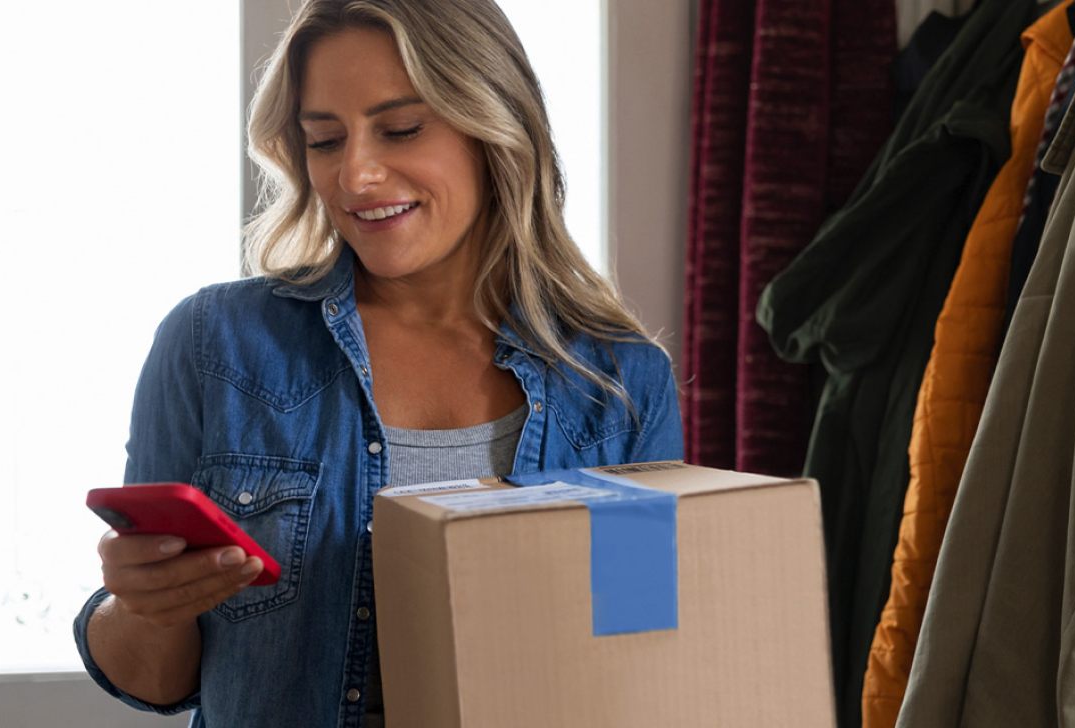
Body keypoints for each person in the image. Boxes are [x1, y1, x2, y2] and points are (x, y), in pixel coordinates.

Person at [73, 0, 684, 725]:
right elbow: (155, 681)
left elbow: (642, 662)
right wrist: (143, 607)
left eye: (401, 129)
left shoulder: (621, 385)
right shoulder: (214, 345)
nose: (355, 175)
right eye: (324, 140)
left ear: (496, 126)